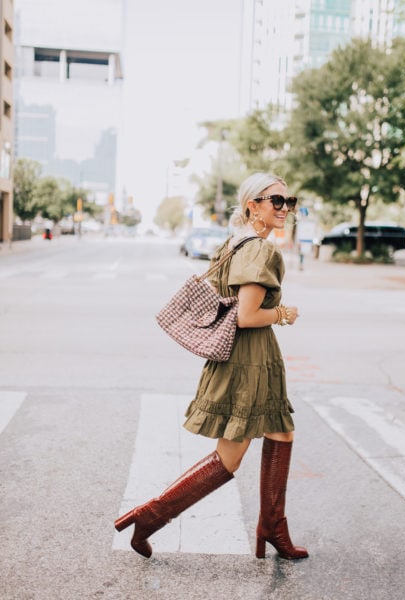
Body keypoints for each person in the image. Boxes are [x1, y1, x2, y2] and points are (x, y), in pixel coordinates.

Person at [115, 172, 308, 561]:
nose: (285, 209)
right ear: (252, 205)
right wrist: (283, 313)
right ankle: (150, 516)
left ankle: (272, 527)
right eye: (276, 201)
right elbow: (247, 316)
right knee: (229, 457)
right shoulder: (260, 251)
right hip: (248, 360)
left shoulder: (235, 244)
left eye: (289, 202)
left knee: (281, 433)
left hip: (246, 358)